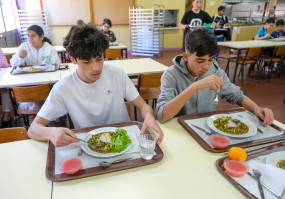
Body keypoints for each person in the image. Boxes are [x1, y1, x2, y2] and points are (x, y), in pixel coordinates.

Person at [28, 20, 163, 147]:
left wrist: (149, 116)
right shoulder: (64, 88)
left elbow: (143, 106)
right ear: (73, 59)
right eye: (86, 62)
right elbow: (33, 129)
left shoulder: (116, 74)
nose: (96, 68)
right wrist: (51, 133)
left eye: (99, 59)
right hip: (89, 146)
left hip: (124, 142)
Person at [156, 28, 274, 127]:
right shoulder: (171, 75)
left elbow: (236, 96)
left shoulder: (216, 72)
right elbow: (162, 116)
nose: (206, 66)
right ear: (186, 57)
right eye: (200, 61)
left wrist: (256, 108)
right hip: (180, 129)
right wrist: (194, 87)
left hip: (207, 128)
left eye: (211, 59)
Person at [1, 25, 61, 128]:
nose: (30, 39)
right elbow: (13, 64)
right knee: (6, 89)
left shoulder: (49, 49)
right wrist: (20, 57)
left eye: (33, 36)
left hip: (45, 84)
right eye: (28, 36)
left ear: (41, 37)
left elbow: (57, 65)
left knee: (55, 86)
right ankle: (7, 116)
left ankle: (54, 114)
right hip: (26, 85)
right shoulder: (24, 46)